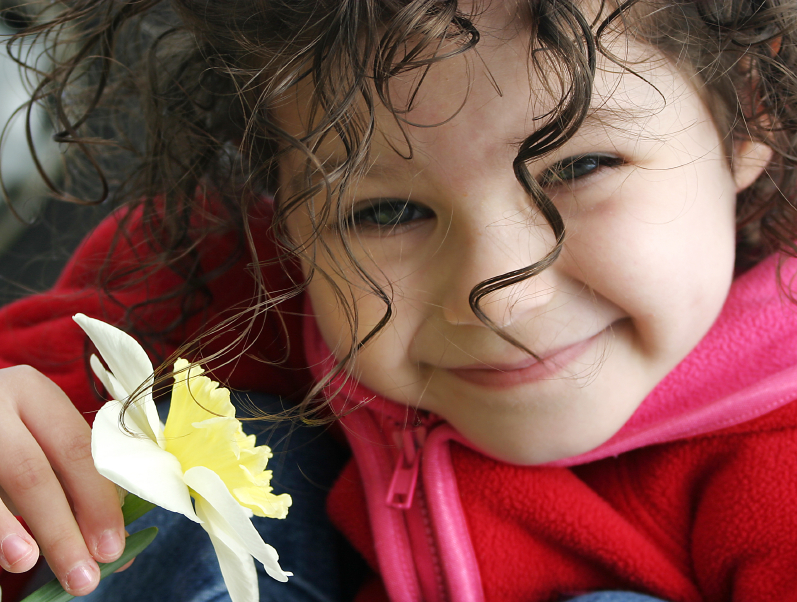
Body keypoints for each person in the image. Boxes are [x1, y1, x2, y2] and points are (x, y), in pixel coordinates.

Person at [0, 0, 796, 600]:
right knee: (202, 450)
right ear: (281, 207)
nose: (497, 297)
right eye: (384, 212)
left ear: (743, 112)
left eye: (578, 167)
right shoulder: (239, 280)